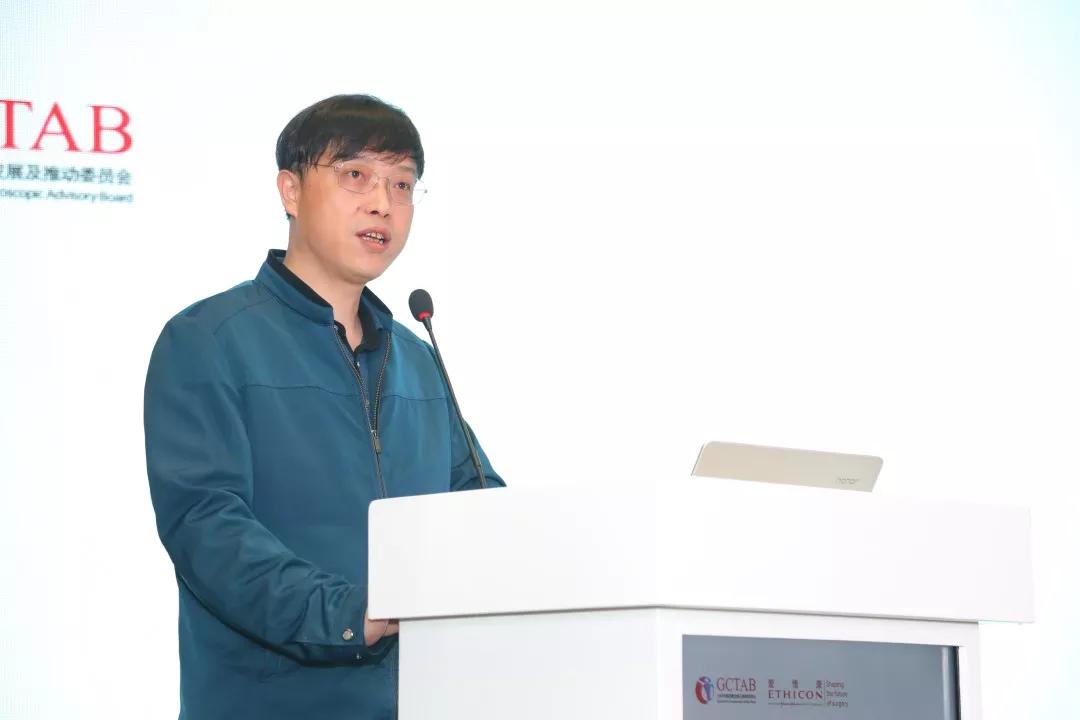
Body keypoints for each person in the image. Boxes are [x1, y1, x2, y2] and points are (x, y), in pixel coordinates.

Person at [143, 94, 504, 720]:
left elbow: (477, 500)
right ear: (290, 190)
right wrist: (348, 614)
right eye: (355, 175)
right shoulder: (210, 339)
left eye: (402, 184)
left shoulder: (417, 358)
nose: (382, 202)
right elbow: (206, 525)